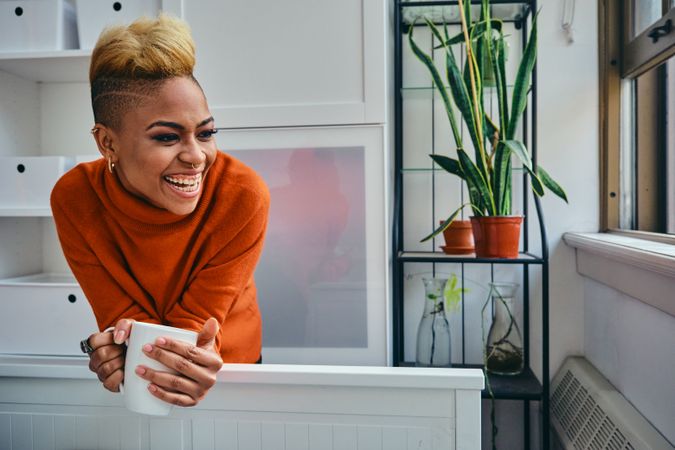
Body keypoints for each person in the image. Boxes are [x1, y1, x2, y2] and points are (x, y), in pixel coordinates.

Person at [50, 14, 270, 407]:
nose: (196, 156)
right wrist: (114, 349)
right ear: (108, 144)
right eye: (167, 137)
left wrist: (135, 349)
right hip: (147, 373)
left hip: (233, 371)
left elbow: (197, 328)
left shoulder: (242, 194)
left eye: (206, 133)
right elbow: (121, 319)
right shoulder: (75, 198)